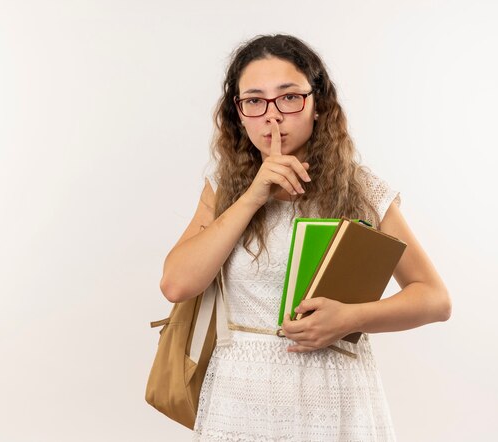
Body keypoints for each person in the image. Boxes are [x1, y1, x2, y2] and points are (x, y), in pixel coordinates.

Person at [159, 34, 452, 441]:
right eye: (254, 100)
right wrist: (252, 197)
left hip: (337, 393)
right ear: (238, 114)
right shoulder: (223, 189)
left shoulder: (359, 189)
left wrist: (351, 318)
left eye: (289, 97)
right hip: (242, 395)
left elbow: (435, 298)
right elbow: (177, 283)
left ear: (317, 106)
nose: (272, 116)